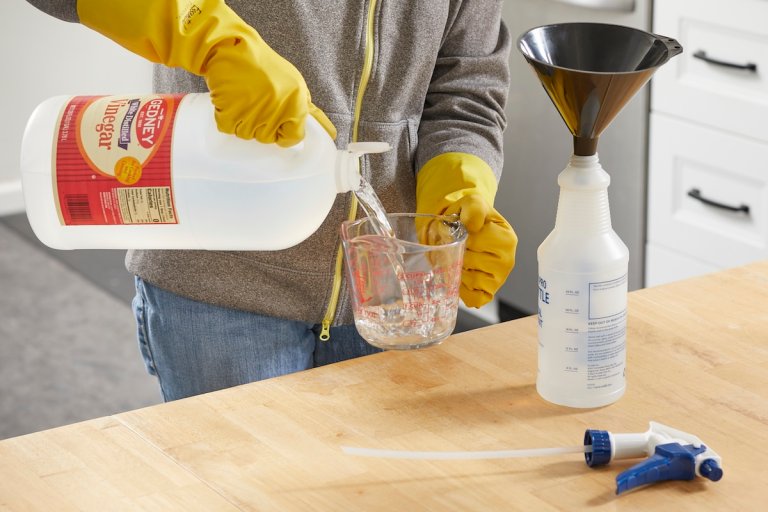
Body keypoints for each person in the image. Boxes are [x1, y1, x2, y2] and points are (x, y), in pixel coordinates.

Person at [28, 0, 518, 401]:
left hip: (390, 293)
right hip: (221, 291)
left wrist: (461, 177)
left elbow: (467, 87)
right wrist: (197, 27)